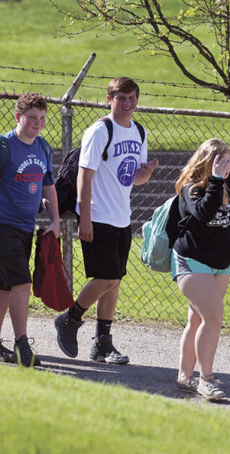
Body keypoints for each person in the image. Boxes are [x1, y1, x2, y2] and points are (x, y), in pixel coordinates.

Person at [54, 77, 157, 364]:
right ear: (109, 99)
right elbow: (84, 175)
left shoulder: (139, 131)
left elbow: (131, 177)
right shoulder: (100, 131)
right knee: (107, 276)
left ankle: (102, 343)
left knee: (115, 281)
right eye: (121, 98)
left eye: (132, 98)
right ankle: (70, 319)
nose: (127, 103)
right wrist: (83, 217)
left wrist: (145, 174)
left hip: (122, 216)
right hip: (97, 215)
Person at [0, 92, 60, 367]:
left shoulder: (43, 148)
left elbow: (48, 186)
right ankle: (21, 344)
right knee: (22, 282)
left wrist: (55, 220)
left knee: (4, 285)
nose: (38, 123)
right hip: (1, 225)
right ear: (17, 117)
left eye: (42, 118)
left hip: (25, 226)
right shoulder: (2, 146)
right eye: (32, 117)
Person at [171, 138, 230, 401]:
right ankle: (206, 379)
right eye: (220, 161)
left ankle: (184, 377)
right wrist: (216, 180)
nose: (226, 166)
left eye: (229, 160)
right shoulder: (192, 186)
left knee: (197, 319)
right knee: (213, 318)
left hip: (221, 263)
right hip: (191, 259)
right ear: (208, 162)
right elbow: (203, 213)